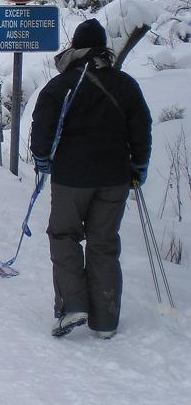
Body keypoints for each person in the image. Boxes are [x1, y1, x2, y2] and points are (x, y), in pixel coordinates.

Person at [31, 18, 151, 339]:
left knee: (64, 236)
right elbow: (141, 127)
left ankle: (73, 305)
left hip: (71, 178)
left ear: (76, 47)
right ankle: (106, 320)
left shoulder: (61, 85)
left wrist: (42, 159)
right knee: (103, 243)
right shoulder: (125, 85)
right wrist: (138, 167)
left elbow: (42, 125)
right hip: (114, 178)